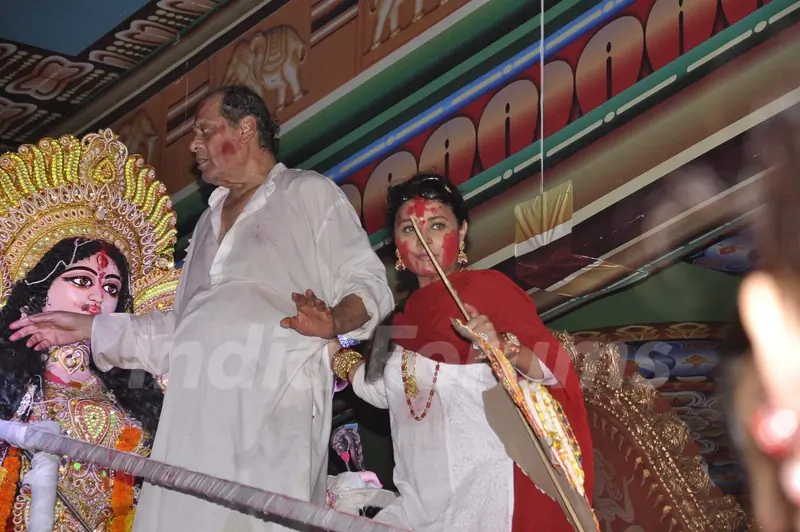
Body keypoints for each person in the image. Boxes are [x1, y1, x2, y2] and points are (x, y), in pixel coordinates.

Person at [9, 85, 394, 531]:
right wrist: (88, 327)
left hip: (271, 401)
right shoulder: (208, 221)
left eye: (205, 131)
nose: (193, 145)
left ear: (246, 128)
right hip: (193, 409)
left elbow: (368, 282)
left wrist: (334, 320)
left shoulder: (306, 192)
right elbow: (176, 330)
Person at [329, 173, 594, 531]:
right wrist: (327, 339)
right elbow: (376, 389)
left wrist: (503, 346)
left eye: (437, 225)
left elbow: (553, 365)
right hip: (418, 505)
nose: (424, 239)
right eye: (409, 229)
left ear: (463, 232)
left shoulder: (488, 291)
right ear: (396, 246)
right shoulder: (396, 325)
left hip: (487, 494)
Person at [0, 127, 178, 531]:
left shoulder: (147, 387)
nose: (98, 296)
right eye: (82, 280)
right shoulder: (11, 383)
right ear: (36, 289)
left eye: (111, 287)